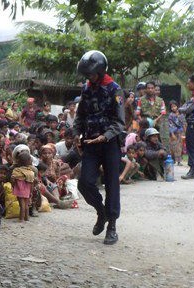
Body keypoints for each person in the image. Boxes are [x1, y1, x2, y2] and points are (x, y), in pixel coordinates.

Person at [74, 50, 125, 245]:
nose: (89, 78)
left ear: (102, 71)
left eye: (92, 74)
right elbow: (80, 116)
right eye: (87, 75)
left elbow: (119, 122)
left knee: (112, 183)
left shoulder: (114, 89)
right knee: (84, 183)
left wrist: (104, 137)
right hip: (90, 143)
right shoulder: (86, 89)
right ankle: (101, 212)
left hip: (109, 143)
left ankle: (111, 226)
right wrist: (77, 134)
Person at [11, 152, 35, 222]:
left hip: (20, 189)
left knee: (21, 205)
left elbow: (13, 179)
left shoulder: (16, 170)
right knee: (26, 205)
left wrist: (13, 186)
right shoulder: (31, 172)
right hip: (27, 189)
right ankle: (26, 218)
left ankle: (21, 219)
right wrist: (31, 191)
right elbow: (32, 183)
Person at [168, 100, 185, 166]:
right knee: (172, 146)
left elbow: (183, 123)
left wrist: (184, 133)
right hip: (173, 133)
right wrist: (172, 134)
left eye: (174, 106)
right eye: (172, 107)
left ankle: (179, 161)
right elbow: (170, 125)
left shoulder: (181, 114)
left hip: (180, 132)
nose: (173, 108)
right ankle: (173, 159)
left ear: (177, 106)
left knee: (179, 147)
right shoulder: (170, 115)